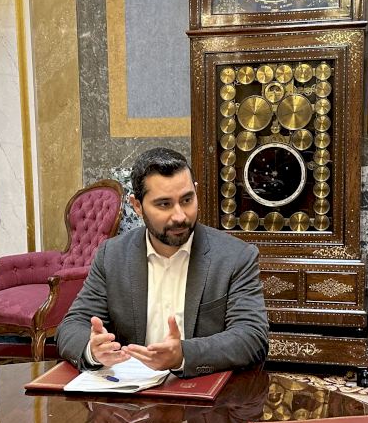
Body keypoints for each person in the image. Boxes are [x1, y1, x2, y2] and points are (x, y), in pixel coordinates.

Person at [56, 147, 269, 376]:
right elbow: (72, 325)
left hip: (202, 389)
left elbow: (252, 337)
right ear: (137, 206)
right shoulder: (112, 256)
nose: (180, 216)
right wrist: (93, 350)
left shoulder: (235, 256)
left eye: (187, 200)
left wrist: (183, 355)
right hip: (130, 392)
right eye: (164, 204)